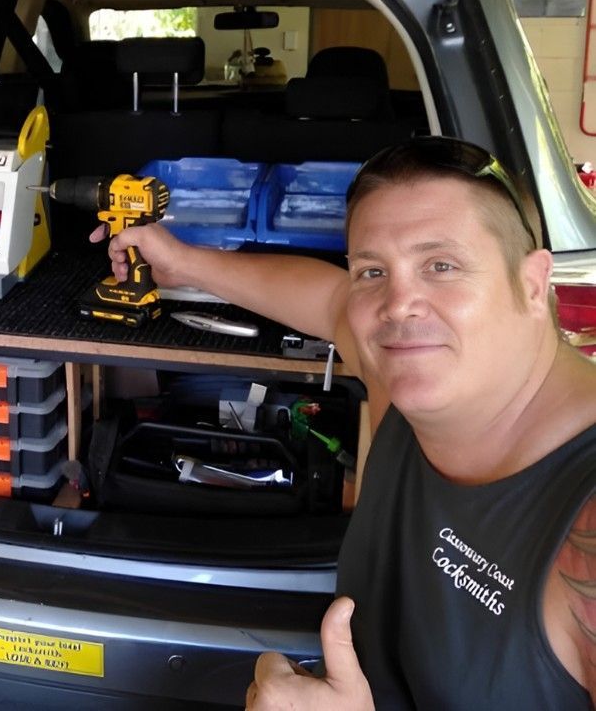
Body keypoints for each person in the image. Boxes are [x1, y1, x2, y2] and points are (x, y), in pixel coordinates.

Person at [93, 137, 596, 709]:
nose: (398, 303)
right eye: (373, 271)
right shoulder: (410, 379)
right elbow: (332, 302)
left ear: (532, 285)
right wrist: (180, 261)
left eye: (442, 265)